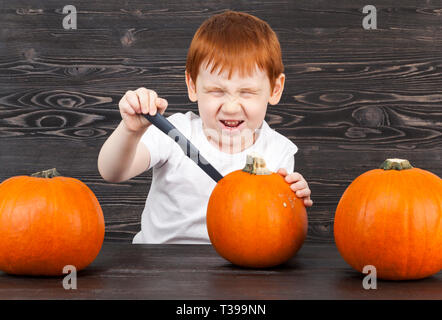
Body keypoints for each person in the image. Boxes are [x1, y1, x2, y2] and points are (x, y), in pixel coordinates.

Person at [98, 10, 313, 244]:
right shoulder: (173, 133)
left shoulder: (278, 152)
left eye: (247, 92)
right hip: (159, 268)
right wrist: (130, 131)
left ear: (275, 89)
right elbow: (113, 172)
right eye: (216, 91)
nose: (231, 107)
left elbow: (273, 231)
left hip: (234, 270)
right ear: (192, 85)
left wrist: (291, 199)